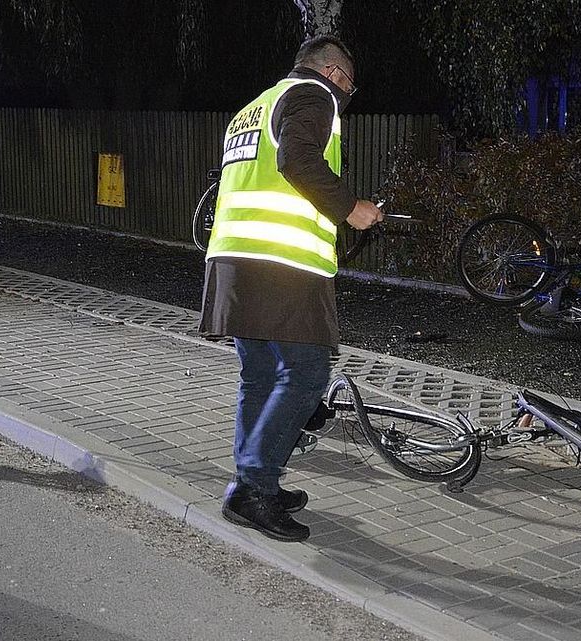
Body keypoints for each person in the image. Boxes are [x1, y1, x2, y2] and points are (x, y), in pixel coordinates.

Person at [199, 35, 382, 543]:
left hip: (235, 262)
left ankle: (254, 482)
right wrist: (352, 208)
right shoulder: (313, 96)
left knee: (260, 376)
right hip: (282, 265)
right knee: (306, 374)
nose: (346, 94)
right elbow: (298, 162)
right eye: (348, 84)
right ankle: (252, 488)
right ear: (336, 75)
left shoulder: (253, 108)